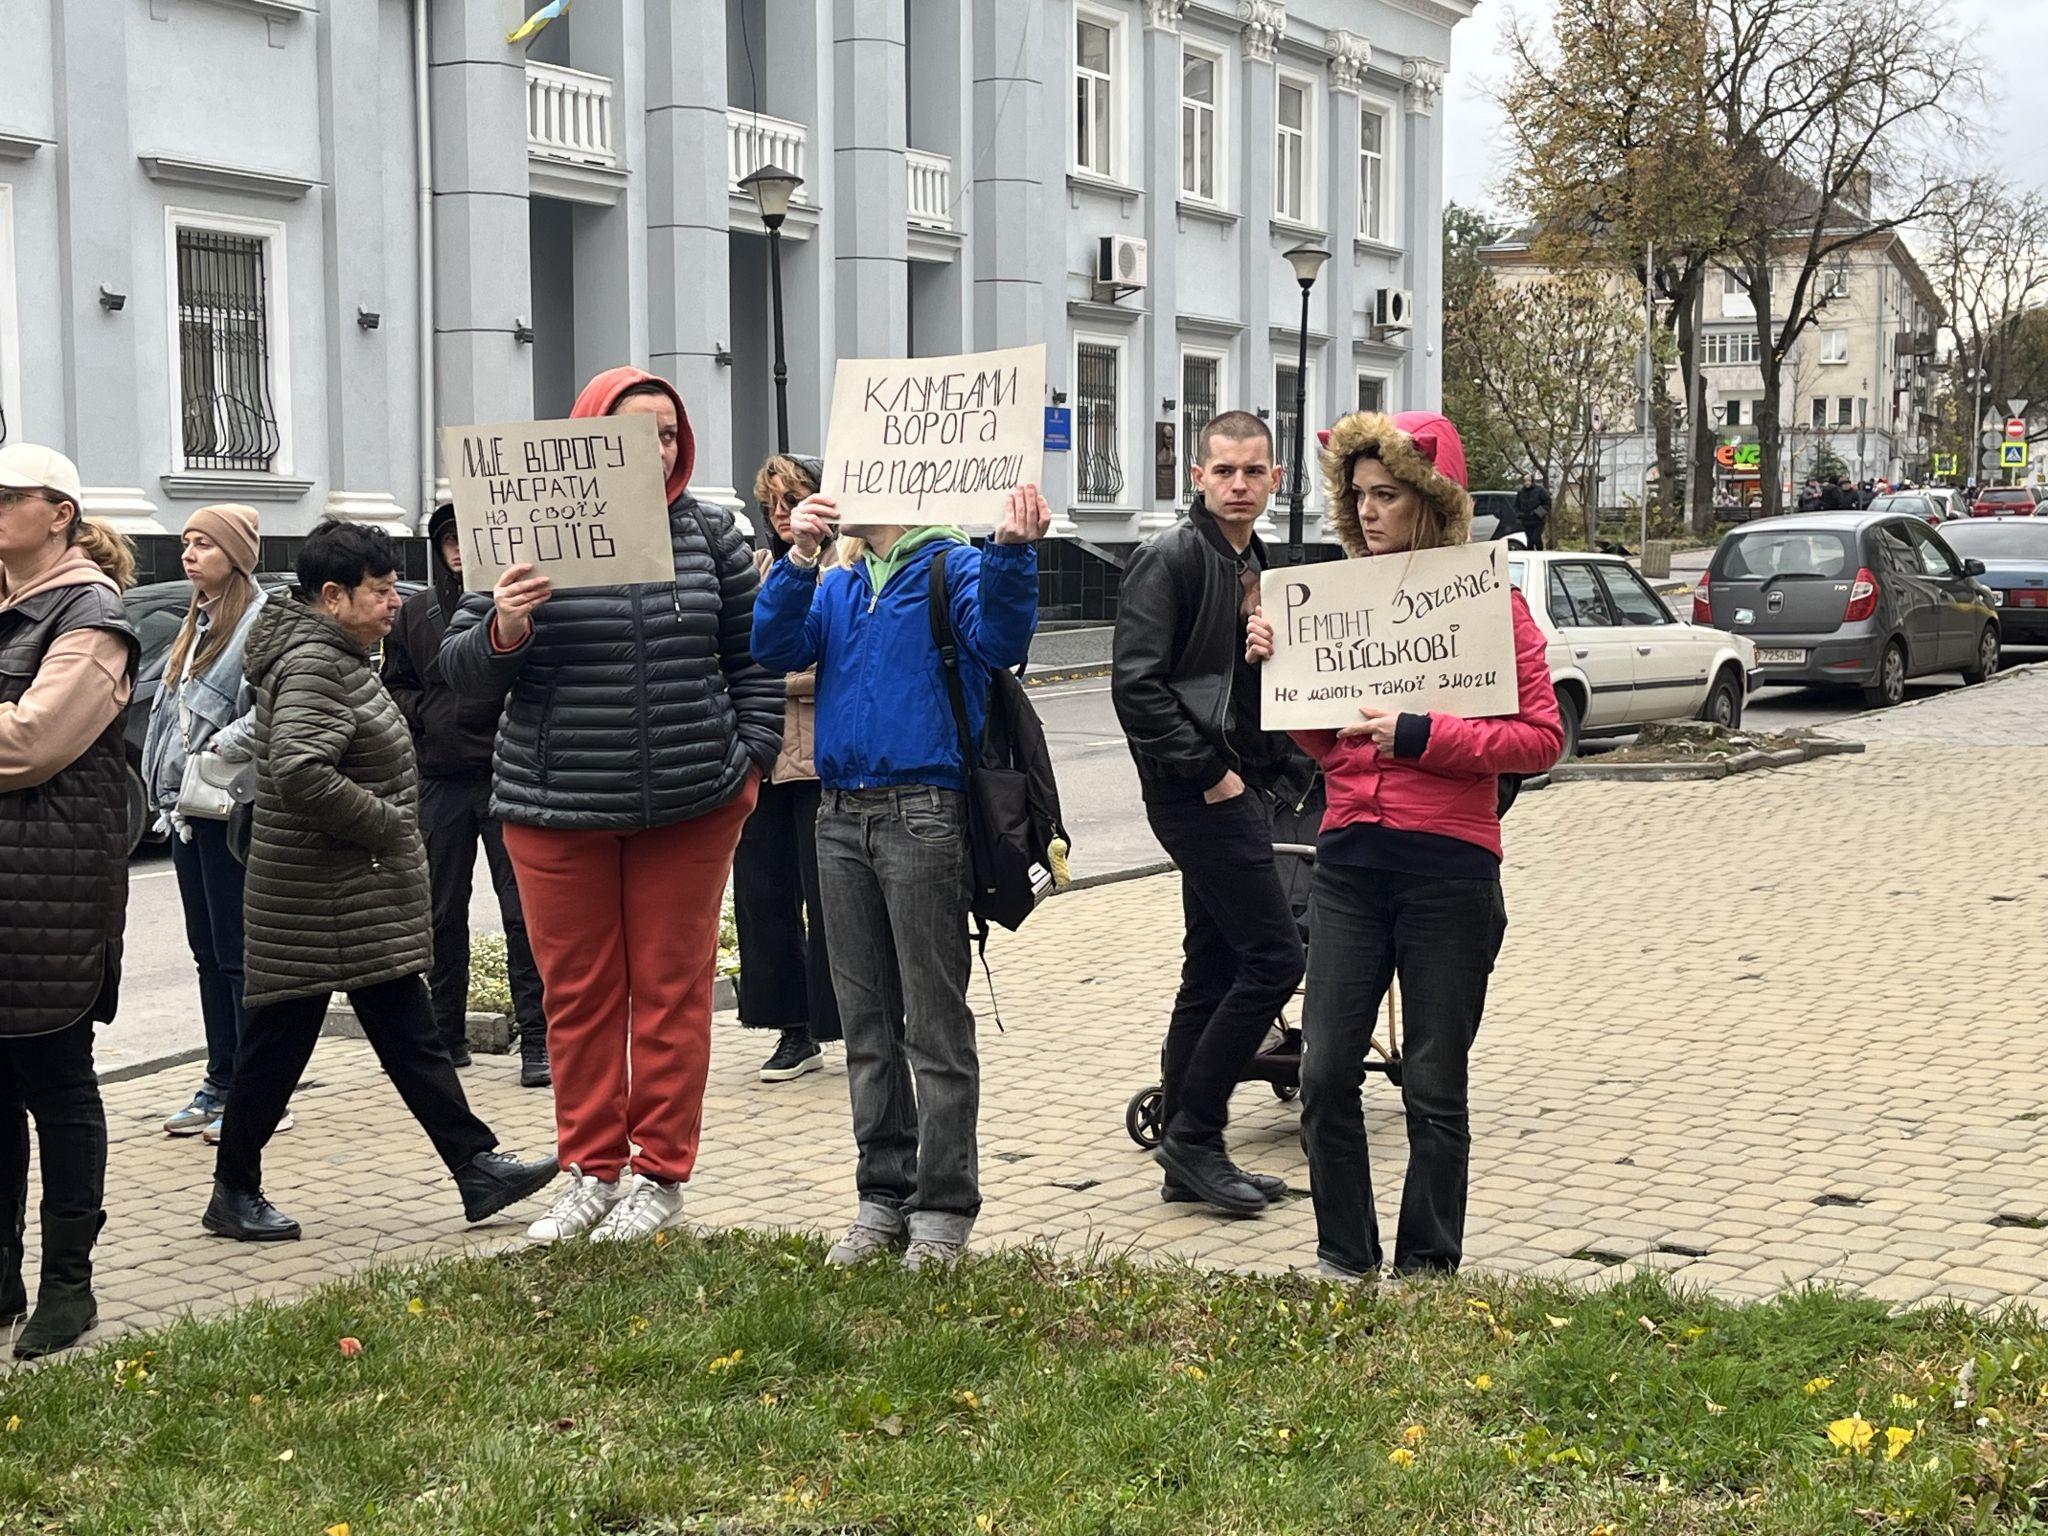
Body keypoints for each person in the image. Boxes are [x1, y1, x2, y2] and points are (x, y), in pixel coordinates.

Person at [442, 367, 783, 1246]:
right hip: (555, 807)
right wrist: (504, 626)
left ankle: (659, 1175)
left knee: (672, 995)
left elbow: (753, 659)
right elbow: (461, 675)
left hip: (691, 803)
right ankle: (590, 1171)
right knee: (579, 999)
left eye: (669, 434)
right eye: (638, 431)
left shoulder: (709, 535)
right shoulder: (528, 529)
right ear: (591, 434)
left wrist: (746, 764)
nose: (657, 449)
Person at [1247, 412, 1563, 1281]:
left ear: (1430, 501)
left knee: (1432, 1084)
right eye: (1358, 498)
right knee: (1324, 1074)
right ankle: (1345, 1256)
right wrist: (1280, 675)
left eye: (1387, 495)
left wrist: (1422, 734)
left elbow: (1541, 741)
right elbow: (1326, 747)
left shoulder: (1491, 609)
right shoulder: (1341, 605)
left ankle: (1429, 1266)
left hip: (1450, 873)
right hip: (1350, 865)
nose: (1371, 512)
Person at [200, 520, 560, 1243]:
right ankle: (234, 1189)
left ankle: (475, 1165)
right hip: (324, 894)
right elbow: (301, 771)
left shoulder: (336, 653)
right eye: (382, 589)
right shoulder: (315, 665)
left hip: (340, 895)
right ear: (333, 596)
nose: (396, 601)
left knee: (404, 1033)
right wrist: (391, 824)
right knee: (284, 1043)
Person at [752, 484, 1049, 1272]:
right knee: (866, 1024)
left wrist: (1015, 552)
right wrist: (795, 561)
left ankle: (944, 1209)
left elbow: (1005, 638)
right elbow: (774, 646)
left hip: (925, 810)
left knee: (933, 1023)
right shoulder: (843, 583)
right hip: (839, 813)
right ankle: (881, 1196)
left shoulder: (955, 565)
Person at [1109, 410, 1308, 1217]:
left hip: (1235, 781)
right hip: (1195, 792)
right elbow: (1138, 688)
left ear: (1274, 480)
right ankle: (1196, 1134)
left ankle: (1183, 1153)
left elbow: (1235, 689)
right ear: (1197, 476)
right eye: (1223, 471)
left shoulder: (1254, 559)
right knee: (1275, 959)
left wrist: (1266, 671)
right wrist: (1213, 776)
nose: (1237, 484)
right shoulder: (1171, 558)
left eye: (1252, 472)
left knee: (1215, 966)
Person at [0, 443, 139, 1358]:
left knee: (57, 1082)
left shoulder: (90, 615)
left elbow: (32, 744)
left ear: (58, 511)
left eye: (6, 497)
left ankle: (68, 1284)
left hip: (51, 883)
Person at [383, 502, 550, 1087]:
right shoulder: (417, 612)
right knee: (440, 913)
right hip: (441, 778)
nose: (457, 547)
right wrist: (426, 714)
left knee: (523, 915)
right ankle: (446, 1039)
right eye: (447, 538)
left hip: (507, 775)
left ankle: (538, 1043)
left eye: (465, 536)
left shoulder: (515, 602)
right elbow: (394, 685)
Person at [139, 504, 277, 1142]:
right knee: (205, 953)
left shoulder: (260, 623)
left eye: (204, 544)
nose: (190, 553)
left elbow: (271, 709)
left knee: (236, 956)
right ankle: (219, 1080)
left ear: (237, 556)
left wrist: (217, 749)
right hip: (186, 810)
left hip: (229, 809)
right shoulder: (196, 623)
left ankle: (259, 1093)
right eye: (186, 542)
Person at [734, 454, 842, 1082]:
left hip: (819, 764)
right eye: (772, 502)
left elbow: (822, 662)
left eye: (793, 498)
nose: (781, 513)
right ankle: (791, 1029)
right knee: (761, 898)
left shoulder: (843, 569)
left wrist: (769, 674)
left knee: (829, 900)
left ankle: (845, 1021)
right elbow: (742, 656)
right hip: (762, 762)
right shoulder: (757, 569)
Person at [1512, 473, 1550, 550]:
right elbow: (1516, 506)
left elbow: (1547, 503)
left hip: (1538, 520)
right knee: (1529, 541)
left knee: (1536, 538)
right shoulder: (1521, 492)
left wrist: (1538, 512)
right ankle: (1530, 555)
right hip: (1526, 520)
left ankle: (1540, 553)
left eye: (1529, 480)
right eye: (1525, 481)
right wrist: (1519, 514)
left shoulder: (1540, 490)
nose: (1527, 482)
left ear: (1532, 481)